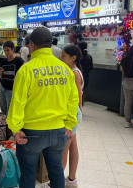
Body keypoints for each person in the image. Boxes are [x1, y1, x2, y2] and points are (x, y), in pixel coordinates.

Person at [7, 27, 79, 188]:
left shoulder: (26, 70)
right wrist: (69, 124)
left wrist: (15, 128)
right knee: (56, 172)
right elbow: (73, 99)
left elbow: (17, 103)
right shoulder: (65, 70)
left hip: (31, 133)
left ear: (32, 45)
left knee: (28, 175)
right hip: (58, 131)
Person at [61, 45, 84, 187]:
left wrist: (74, 117)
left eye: (63, 56)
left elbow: (78, 98)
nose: (61, 58)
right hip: (74, 114)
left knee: (63, 150)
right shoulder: (72, 71)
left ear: (73, 58)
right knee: (72, 146)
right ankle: (71, 179)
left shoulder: (74, 73)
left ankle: (55, 183)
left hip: (73, 114)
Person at [0, 40, 24, 115]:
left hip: (12, 89)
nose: (6, 53)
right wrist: (0, 72)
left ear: (13, 49)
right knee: (3, 109)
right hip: (3, 87)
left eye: (8, 50)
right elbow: (2, 78)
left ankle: (9, 126)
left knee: (10, 110)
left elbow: (24, 72)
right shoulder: (3, 62)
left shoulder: (18, 61)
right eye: (4, 51)